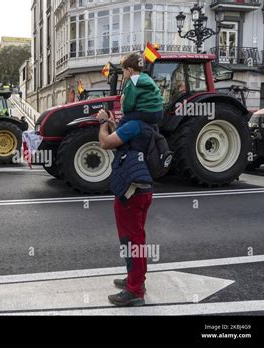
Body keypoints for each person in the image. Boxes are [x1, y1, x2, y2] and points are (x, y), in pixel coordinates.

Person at [97, 53, 163, 307]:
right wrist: (114, 124)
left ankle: (135, 291)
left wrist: (103, 123)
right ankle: (135, 279)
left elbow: (105, 142)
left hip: (132, 192)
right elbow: (122, 139)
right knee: (135, 238)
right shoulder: (146, 125)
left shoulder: (134, 124)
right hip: (142, 188)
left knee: (132, 239)